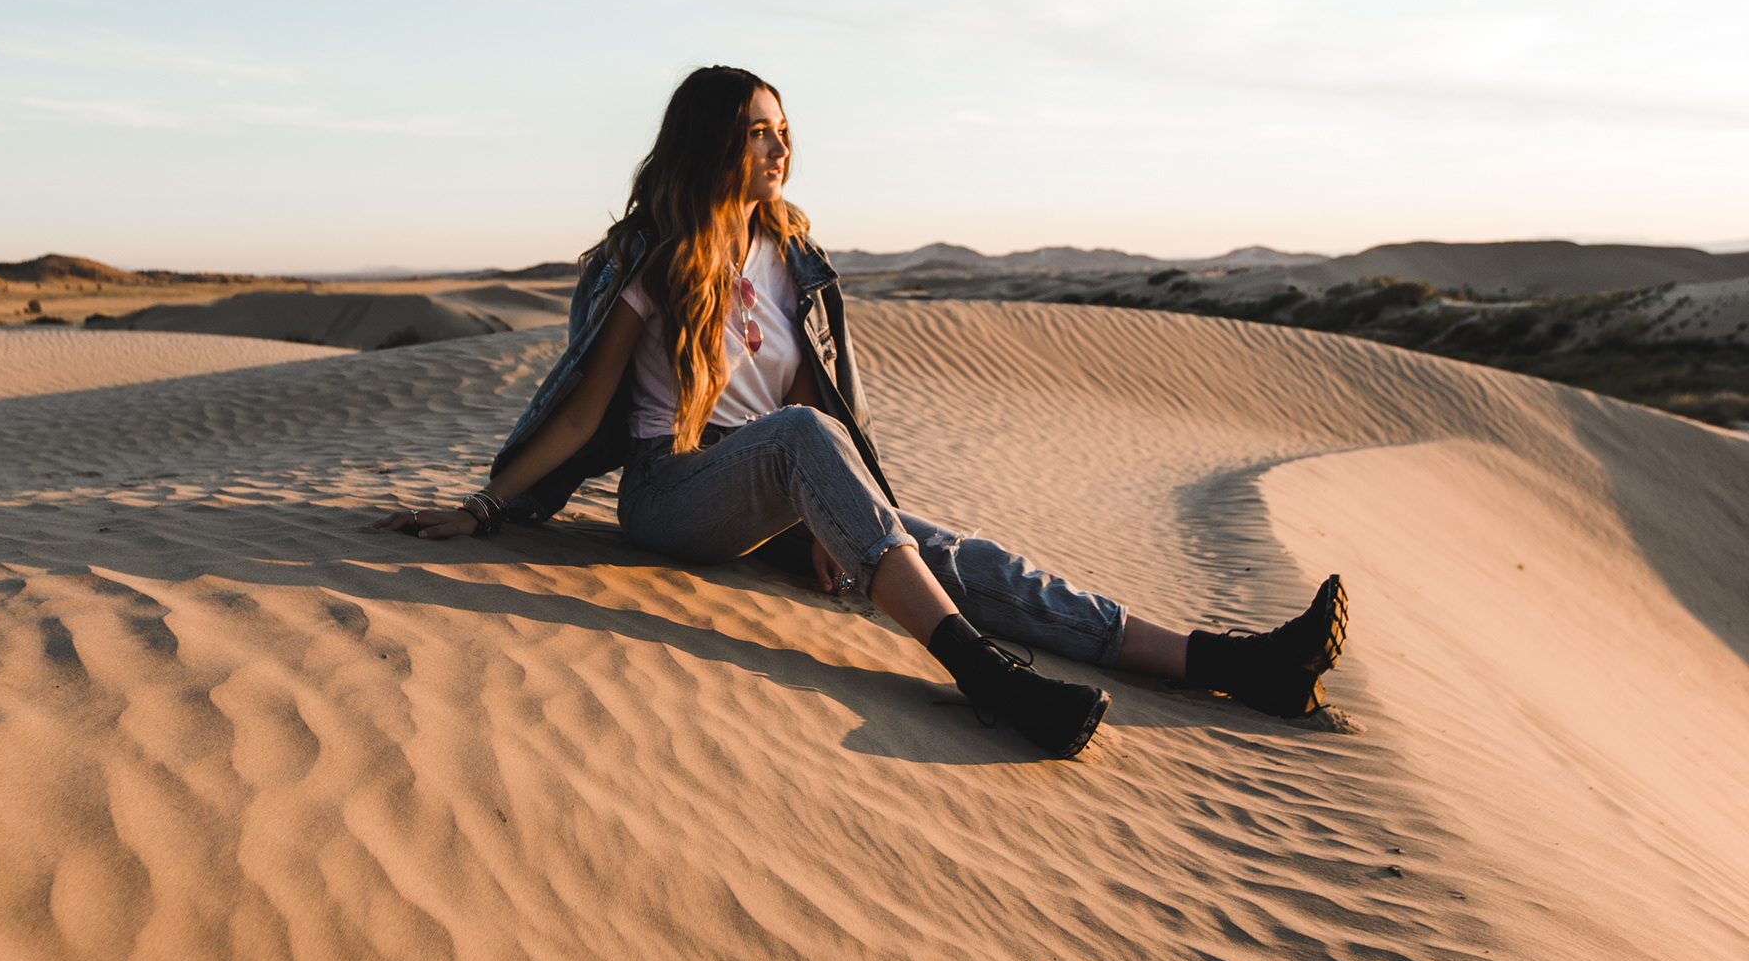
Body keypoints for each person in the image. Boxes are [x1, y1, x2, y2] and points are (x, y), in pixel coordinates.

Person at [374, 65, 1348, 759]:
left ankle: (1231, 664)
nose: (780, 145)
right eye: (759, 130)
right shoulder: (650, 257)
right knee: (809, 452)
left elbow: (812, 403)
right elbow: (582, 409)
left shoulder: (794, 258)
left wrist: (844, 521)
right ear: (711, 140)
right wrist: (491, 507)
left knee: (969, 560)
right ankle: (982, 674)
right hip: (676, 494)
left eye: (785, 129)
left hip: (783, 486)